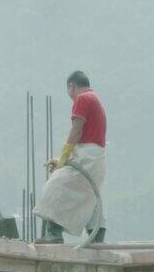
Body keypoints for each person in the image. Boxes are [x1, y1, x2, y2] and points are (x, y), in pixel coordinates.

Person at [34, 70, 107, 244]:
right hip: (96, 157)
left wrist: (64, 158)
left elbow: (77, 129)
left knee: (56, 186)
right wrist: (63, 160)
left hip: (86, 155)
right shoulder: (95, 98)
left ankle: (54, 235)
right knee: (90, 195)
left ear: (71, 86)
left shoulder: (82, 99)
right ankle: (96, 238)